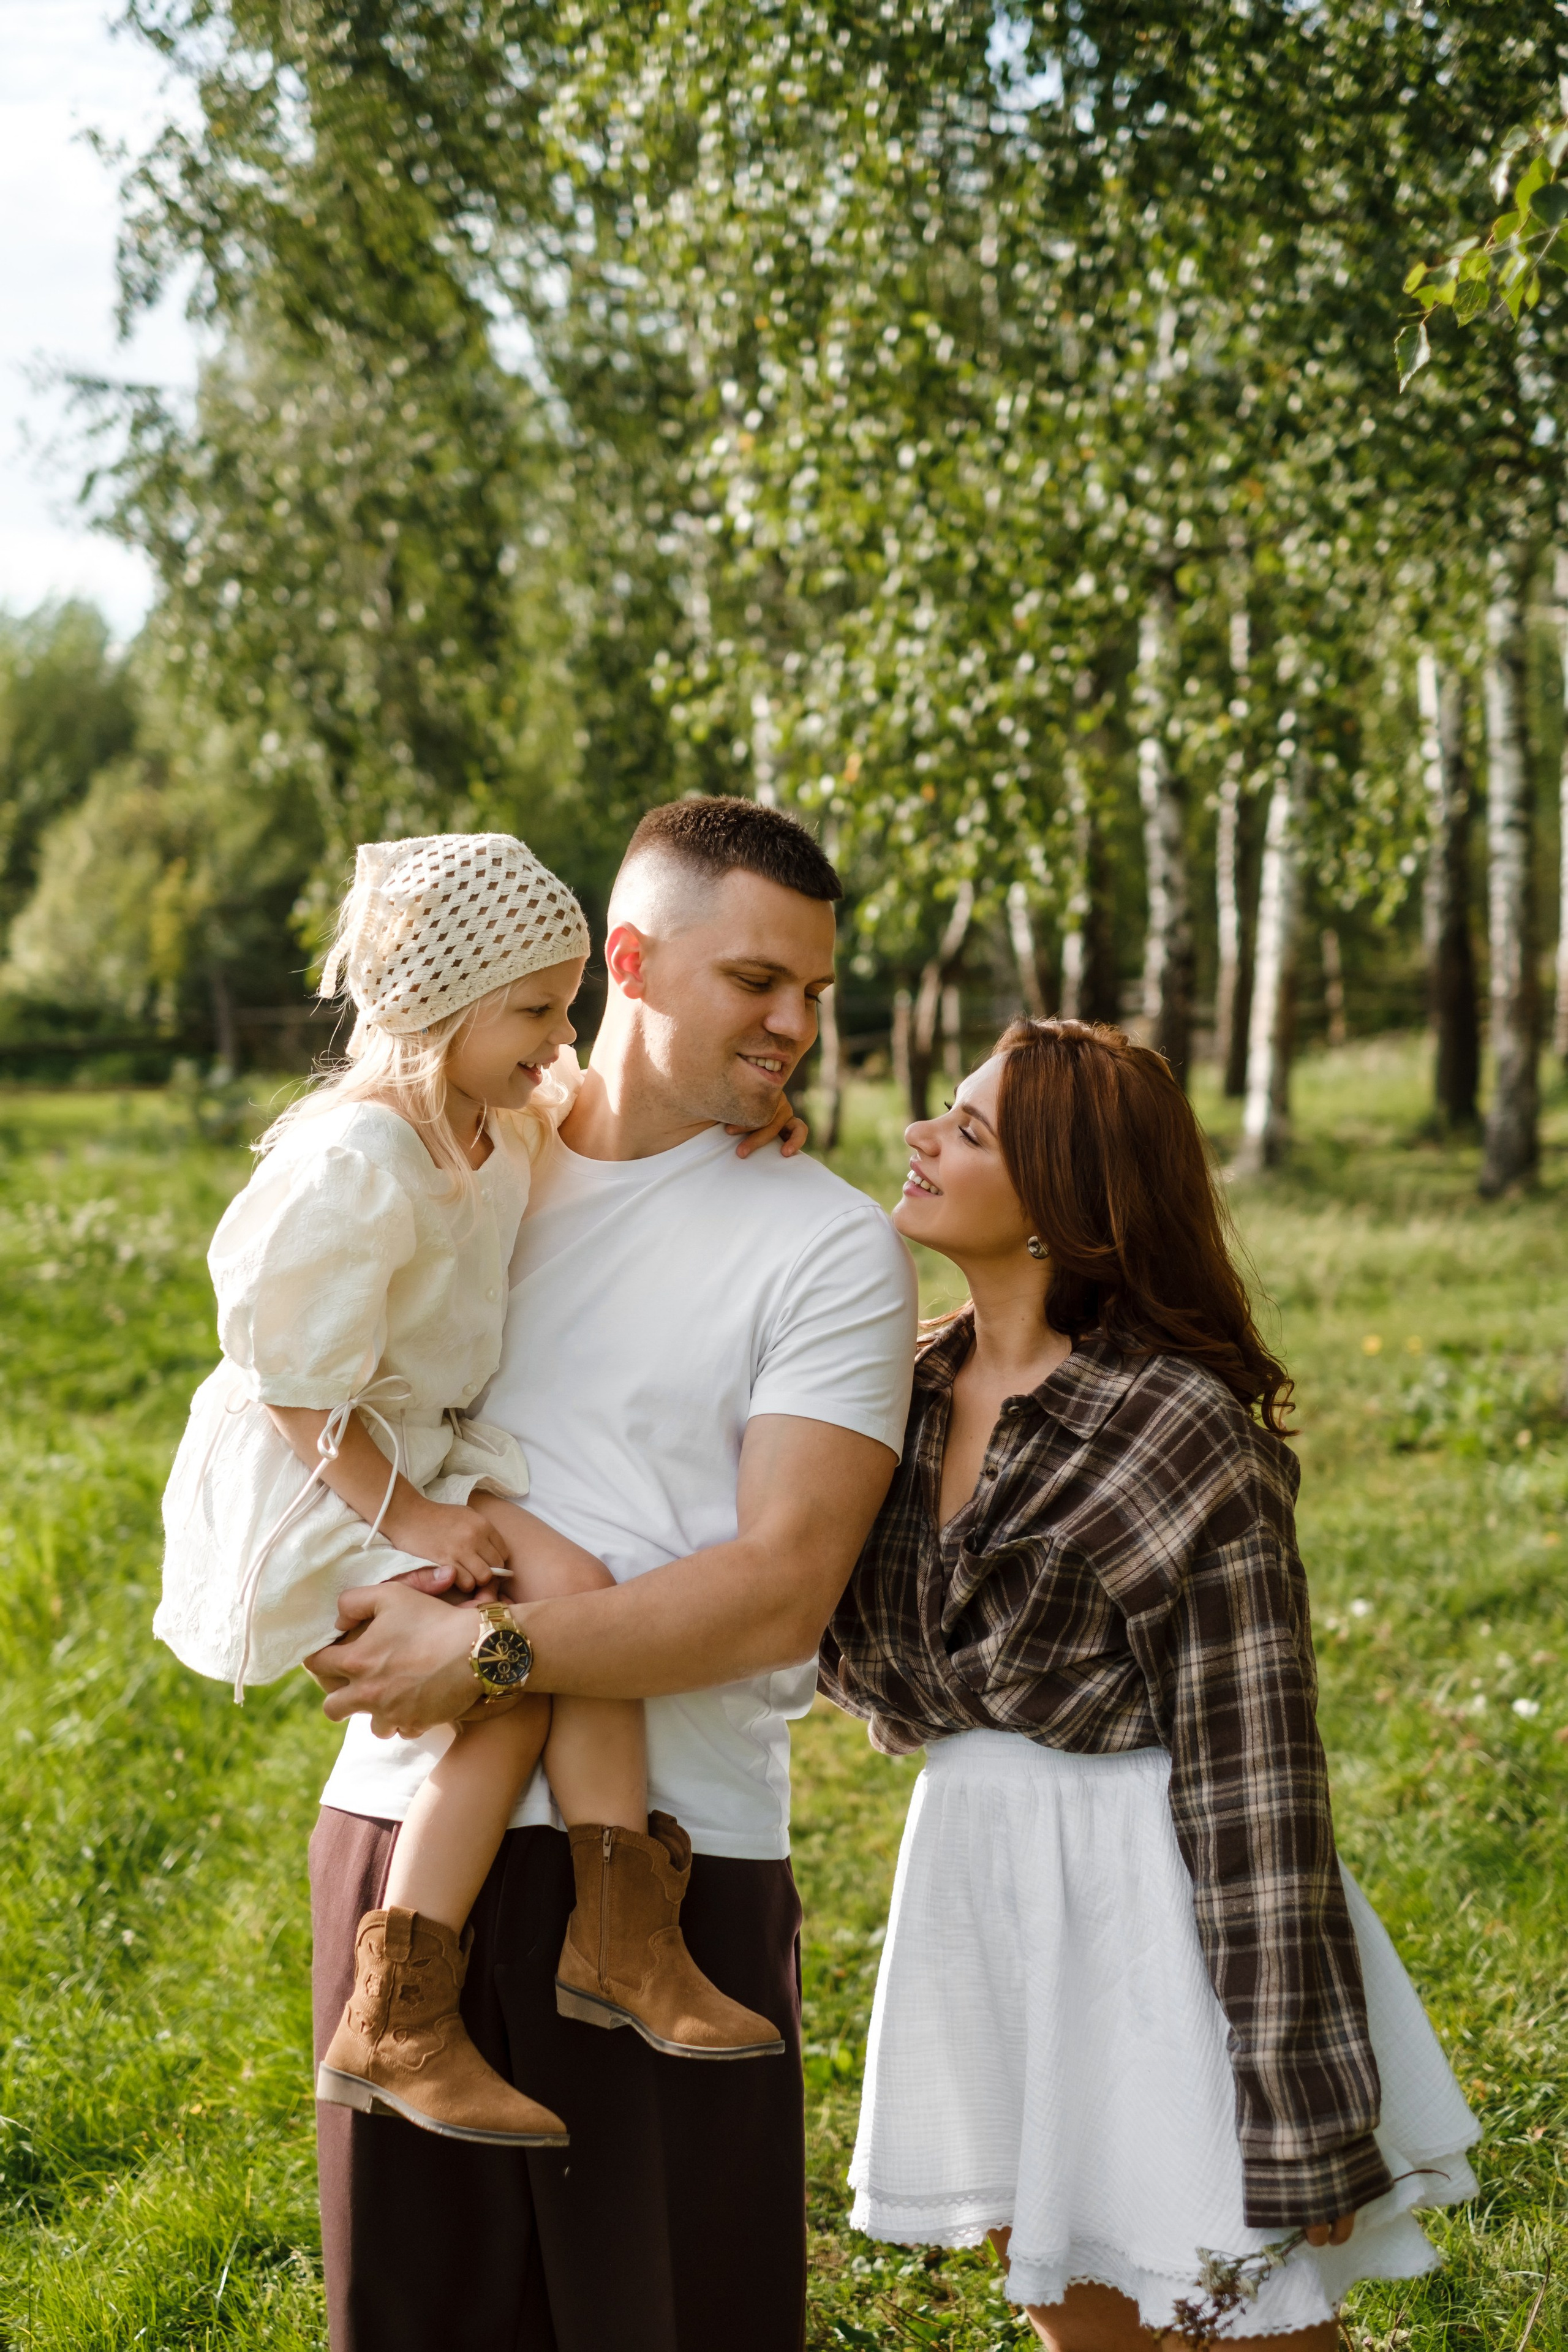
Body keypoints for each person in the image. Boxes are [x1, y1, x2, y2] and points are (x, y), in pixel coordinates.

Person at [303, 796, 919, 2352]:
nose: (793, 1025)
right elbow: (300, 1395)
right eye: (755, 983)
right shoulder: (457, 1164)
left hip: (668, 1861)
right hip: (403, 1848)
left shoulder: (828, 1244)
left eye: (813, 994)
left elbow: (781, 1589)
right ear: (627, 960)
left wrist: (495, 1660)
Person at [818, 1018, 1480, 2352]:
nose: (918, 1137)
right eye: (939, 1112)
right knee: (1072, 2312)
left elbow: (1259, 1793)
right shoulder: (893, 1395)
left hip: (1151, 1909)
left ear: (1063, 1201)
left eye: (967, 1128)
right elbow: (830, 1640)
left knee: (1235, 2318)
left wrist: (1295, 2107)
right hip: (973, 1892)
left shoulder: (1177, 1436)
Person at [158, 831, 785, 2160]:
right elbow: (289, 1385)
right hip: (326, 1475)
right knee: (507, 1670)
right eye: (535, 1010)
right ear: (439, 1006)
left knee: (576, 1598)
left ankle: (621, 1937)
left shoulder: (495, 1112)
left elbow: (593, 1112)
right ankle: (401, 2009)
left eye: (568, 1004)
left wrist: (750, 1110)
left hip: (419, 1455)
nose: (563, 1037)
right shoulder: (355, 1163)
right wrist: (419, 1522)